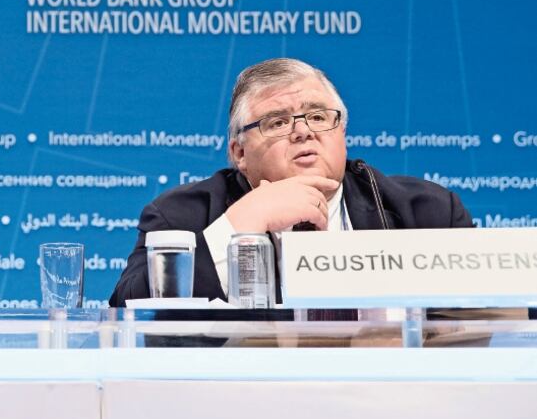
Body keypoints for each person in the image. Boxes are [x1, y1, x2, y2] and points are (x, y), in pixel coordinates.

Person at [110, 58, 473, 306]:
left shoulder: (430, 212)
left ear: (342, 133)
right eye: (277, 122)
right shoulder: (180, 217)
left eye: (318, 116)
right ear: (239, 153)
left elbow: (481, 320)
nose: (303, 132)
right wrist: (241, 223)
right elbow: (128, 311)